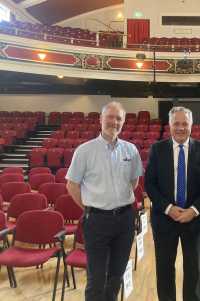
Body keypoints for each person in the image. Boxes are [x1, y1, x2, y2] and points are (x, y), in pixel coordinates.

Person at [66, 102, 144, 301]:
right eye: (110, 117)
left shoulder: (131, 150)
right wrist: (93, 208)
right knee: (96, 278)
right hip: (97, 222)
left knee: (116, 275)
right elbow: (72, 186)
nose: (114, 122)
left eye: (119, 119)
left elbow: (133, 183)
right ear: (101, 119)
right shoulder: (84, 151)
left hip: (125, 219)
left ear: (123, 123)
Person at [145, 106, 200, 301]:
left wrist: (194, 210)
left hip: (193, 220)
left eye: (185, 124)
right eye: (176, 123)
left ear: (191, 125)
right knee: (165, 269)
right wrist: (168, 209)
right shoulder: (157, 149)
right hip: (164, 219)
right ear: (169, 125)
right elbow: (149, 184)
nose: (180, 128)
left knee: (193, 270)